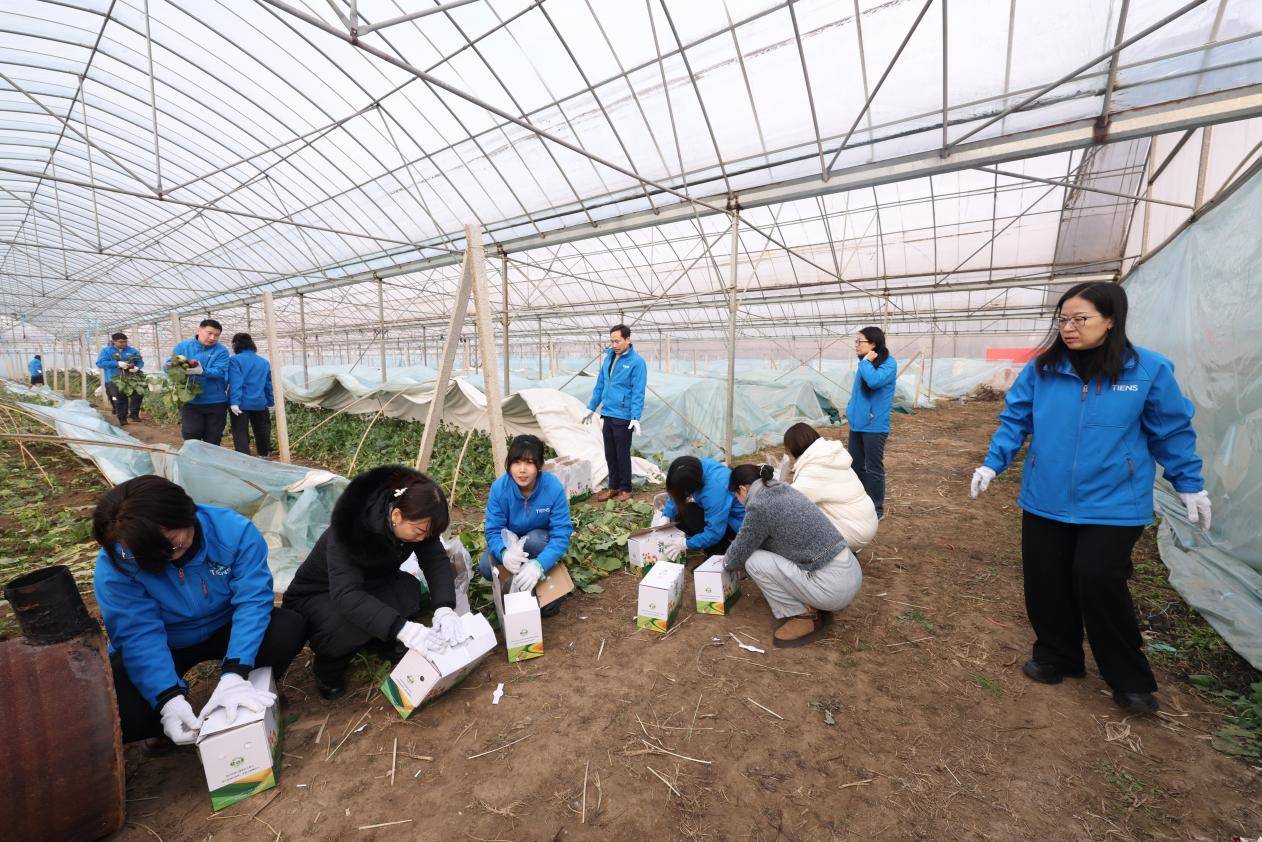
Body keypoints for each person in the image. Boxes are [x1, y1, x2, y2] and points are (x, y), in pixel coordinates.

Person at [970, 281, 1211, 716]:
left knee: (1098, 578)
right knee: (1046, 579)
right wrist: (992, 463)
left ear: (1111, 320)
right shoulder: (1044, 369)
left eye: (1080, 319)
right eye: (1063, 319)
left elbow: (1171, 430)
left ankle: (1129, 678)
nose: (1068, 328)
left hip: (1114, 501)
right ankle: (1058, 655)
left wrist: (1188, 482)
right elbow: (1015, 419)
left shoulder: (1147, 371)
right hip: (1046, 495)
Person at [92, 476, 306, 746]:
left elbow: (252, 602)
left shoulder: (232, 532)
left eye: (172, 543)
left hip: (224, 624)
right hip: (168, 640)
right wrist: (167, 698)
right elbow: (137, 634)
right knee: (120, 707)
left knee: (286, 629)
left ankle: (250, 692)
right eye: (144, 553)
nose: (163, 557)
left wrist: (235, 672)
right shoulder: (117, 563)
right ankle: (164, 726)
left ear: (187, 515)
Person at [283, 465, 466, 700]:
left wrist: (444, 607)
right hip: (319, 595)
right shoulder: (350, 530)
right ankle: (329, 667)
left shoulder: (417, 520)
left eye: (427, 534)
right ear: (396, 515)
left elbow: (435, 559)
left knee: (407, 591)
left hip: (369, 582)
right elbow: (347, 595)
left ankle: (379, 640)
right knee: (342, 625)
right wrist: (403, 629)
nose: (422, 538)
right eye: (419, 532)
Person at [724, 464, 862, 647]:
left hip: (832, 589)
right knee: (766, 552)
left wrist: (725, 563)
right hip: (850, 573)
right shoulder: (785, 489)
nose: (738, 500)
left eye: (736, 495)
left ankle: (805, 616)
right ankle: (815, 603)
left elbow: (739, 554)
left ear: (742, 489)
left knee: (753, 560)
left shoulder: (759, 505)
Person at [479, 435, 574, 617]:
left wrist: (539, 564)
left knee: (534, 540)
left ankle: (547, 572)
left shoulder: (552, 487)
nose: (522, 470)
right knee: (486, 566)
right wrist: (504, 553)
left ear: (539, 465)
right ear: (509, 464)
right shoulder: (500, 489)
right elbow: (493, 530)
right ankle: (516, 586)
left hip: (539, 541)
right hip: (512, 544)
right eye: (517, 462)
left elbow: (562, 533)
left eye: (529, 463)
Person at [783, 423, 878, 551]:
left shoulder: (815, 469)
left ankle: (827, 556)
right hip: (864, 520)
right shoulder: (829, 456)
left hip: (854, 531)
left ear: (794, 447)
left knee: (794, 520)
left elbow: (790, 501)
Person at [583, 324, 647, 502]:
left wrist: (635, 417)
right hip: (608, 413)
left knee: (622, 454)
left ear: (628, 339)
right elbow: (600, 385)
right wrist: (591, 407)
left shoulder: (636, 362)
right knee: (610, 453)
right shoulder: (609, 358)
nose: (614, 345)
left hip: (623, 416)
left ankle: (626, 488)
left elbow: (638, 391)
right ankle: (614, 486)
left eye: (617, 341)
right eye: (612, 341)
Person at [846, 326, 897, 518]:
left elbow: (874, 382)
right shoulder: (864, 363)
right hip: (857, 424)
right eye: (856, 341)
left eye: (860, 341)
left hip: (874, 426)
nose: (856, 345)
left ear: (873, 344)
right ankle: (861, 505)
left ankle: (876, 510)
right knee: (855, 467)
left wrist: (866, 362)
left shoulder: (888, 363)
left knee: (873, 468)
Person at [661, 456, 745, 557]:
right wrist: (666, 515)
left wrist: (686, 544)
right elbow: (678, 489)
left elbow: (714, 532)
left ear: (690, 487)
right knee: (681, 515)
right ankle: (704, 543)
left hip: (739, 524)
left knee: (690, 514)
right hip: (721, 511)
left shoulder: (715, 491)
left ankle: (722, 553)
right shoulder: (694, 467)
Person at [168, 319, 230, 445]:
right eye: (209, 333)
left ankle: (209, 458)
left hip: (215, 401)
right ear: (198, 331)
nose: (212, 338)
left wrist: (202, 371)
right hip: (190, 400)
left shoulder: (221, 351)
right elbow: (169, 366)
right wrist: (172, 367)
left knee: (213, 438)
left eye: (216, 335)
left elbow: (220, 371)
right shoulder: (183, 347)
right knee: (191, 435)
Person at [227, 333, 274, 457]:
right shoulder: (264, 362)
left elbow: (236, 382)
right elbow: (268, 384)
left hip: (240, 404)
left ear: (235, 344)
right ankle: (264, 455)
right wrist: (270, 401)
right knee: (262, 429)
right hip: (259, 402)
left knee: (240, 431)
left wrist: (234, 402)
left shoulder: (235, 360)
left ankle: (244, 458)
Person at [97, 332, 145, 426]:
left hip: (131, 378)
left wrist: (137, 367)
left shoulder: (132, 351)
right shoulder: (106, 351)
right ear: (114, 341)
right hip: (114, 379)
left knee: (138, 394)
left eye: (125, 341)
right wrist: (117, 364)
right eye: (121, 342)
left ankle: (134, 414)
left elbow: (139, 361)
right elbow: (100, 363)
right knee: (119, 398)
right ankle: (122, 417)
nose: (124, 343)